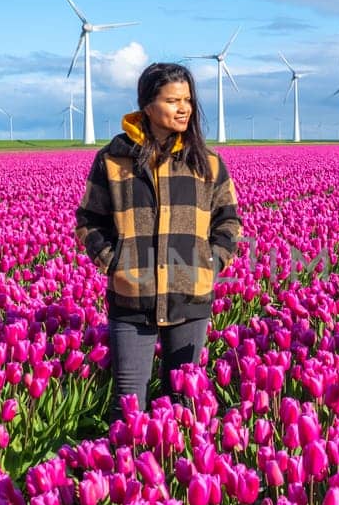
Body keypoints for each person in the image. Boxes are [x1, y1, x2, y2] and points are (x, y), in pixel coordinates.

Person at [76, 62, 242, 421]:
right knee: (128, 408)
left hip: (190, 294)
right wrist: (114, 261)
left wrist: (211, 261)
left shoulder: (208, 163)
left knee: (183, 404)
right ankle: (126, 470)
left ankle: (176, 474)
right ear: (147, 105)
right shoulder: (113, 160)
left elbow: (229, 220)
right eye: (172, 100)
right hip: (132, 294)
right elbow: (89, 219)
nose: (183, 108)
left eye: (188, 100)